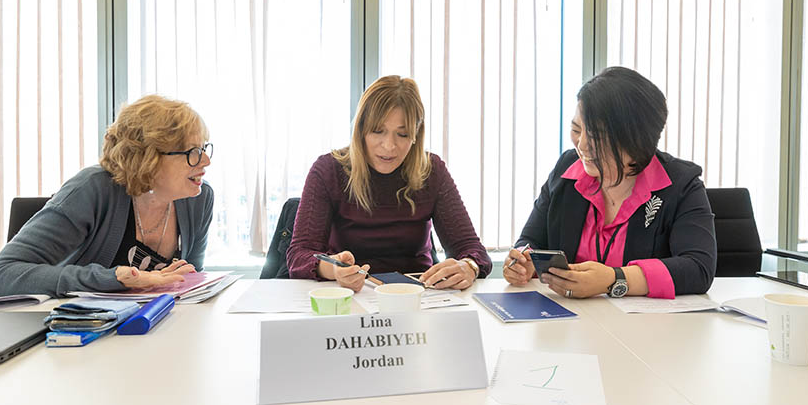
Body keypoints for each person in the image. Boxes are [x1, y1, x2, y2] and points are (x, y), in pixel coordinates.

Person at [503, 67, 716, 299]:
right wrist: (524, 260)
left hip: (648, 328)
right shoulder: (567, 170)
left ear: (636, 140)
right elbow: (532, 239)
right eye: (576, 130)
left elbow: (698, 268)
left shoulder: (680, 185)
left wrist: (614, 279)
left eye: (596, 136)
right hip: (570, 325)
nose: (582, 145)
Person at [0, 95, 214, 297]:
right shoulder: (91, 189)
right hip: (75, 332)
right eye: (193, 152)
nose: (206, 161)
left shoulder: (199, 199)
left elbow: (190, 286)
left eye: (204, 149)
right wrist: (112, 278)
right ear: (149, 157)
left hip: (153, 326)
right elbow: (2, 274)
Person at [287, 75, 492, 292]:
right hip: (349, 294)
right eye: (378, 131)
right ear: (361, 130)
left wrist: (468, 266)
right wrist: (334, 270)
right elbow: (299, 255)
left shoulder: (432, 171)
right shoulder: (328, 170)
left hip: (417, 296)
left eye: (402, 134)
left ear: (415, 135)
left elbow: (471, 249)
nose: (389, 146)